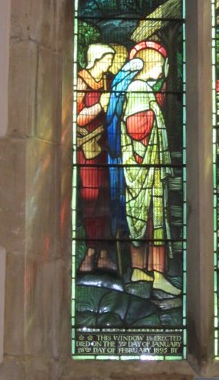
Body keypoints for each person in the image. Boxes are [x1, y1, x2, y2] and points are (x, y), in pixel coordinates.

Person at [108, 41, 180, 295]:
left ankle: (140, 269)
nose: (162, 70)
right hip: (144, 167)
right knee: (152, 219)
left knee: (142, 219)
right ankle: (157, 275)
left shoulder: (140, 88)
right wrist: (152, 120)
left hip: (142, 167)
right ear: (151, 65)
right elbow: (136, 128)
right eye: (160, 65)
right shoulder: (139, 88)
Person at [76, 43, 116, 273]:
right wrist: (100, 105)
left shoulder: (108, 81)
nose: (109, 63)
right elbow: (77, 118)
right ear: (96, 59)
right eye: (107, 59)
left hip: (107, 148)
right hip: (89, 150)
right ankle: (90, 253)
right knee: (91, 200)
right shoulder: (82, 81)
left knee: (107, 201)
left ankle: (103, 255)